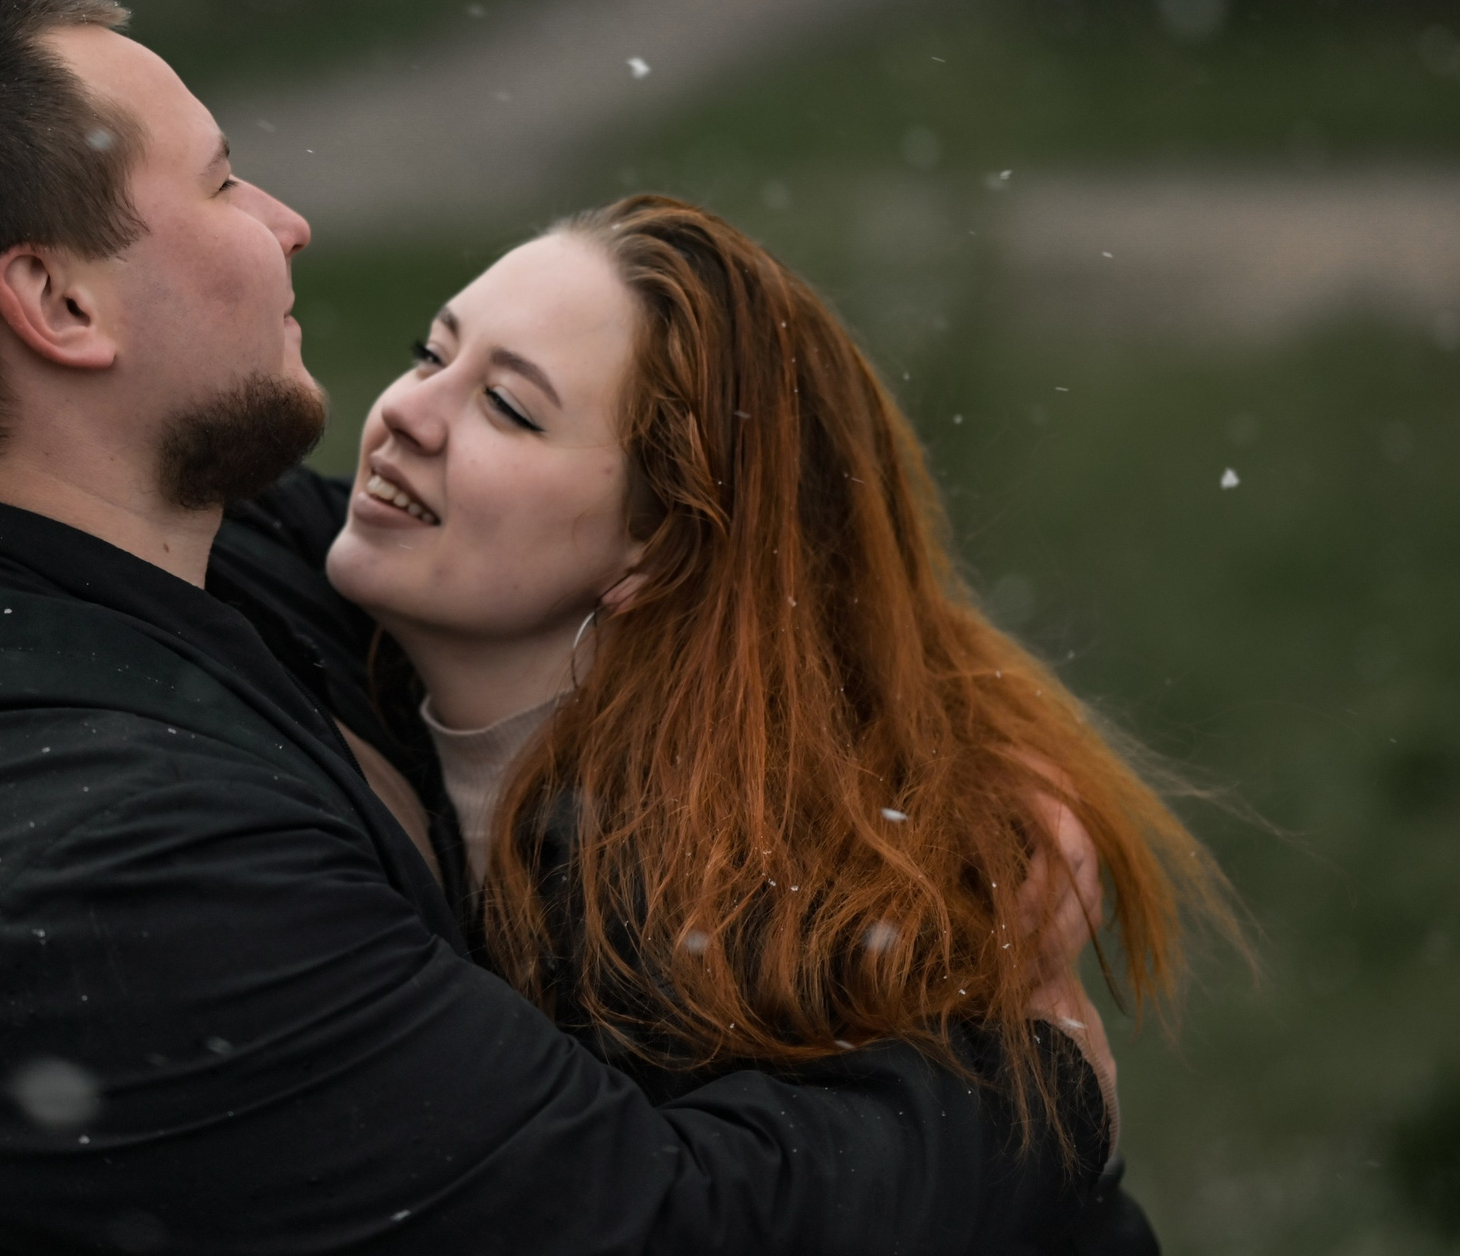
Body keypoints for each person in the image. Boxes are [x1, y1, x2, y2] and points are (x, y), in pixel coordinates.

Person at [0, 0, 1135, 1256]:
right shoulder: (80, 863)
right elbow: (656, 1226)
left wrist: (951, 819)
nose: (286, 222)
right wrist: (1029, 1086)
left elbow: (692, 598)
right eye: (220, 180)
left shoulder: (223, 563)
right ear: (60, 303)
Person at [307, 197, 1236, 1238]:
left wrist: (1048, 1104)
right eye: (428, 354)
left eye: (508, 408)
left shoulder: (733, 931)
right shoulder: (298, 650)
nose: (407, 412)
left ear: (655, 549)